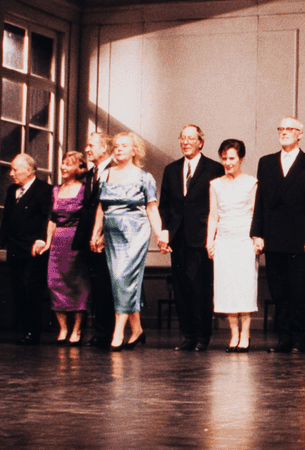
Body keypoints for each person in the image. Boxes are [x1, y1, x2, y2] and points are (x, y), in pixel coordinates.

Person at [89, 132, 166, 350]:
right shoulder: (105, 175)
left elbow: (151, 208)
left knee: (122, 277)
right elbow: (101, 208)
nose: (119, 149)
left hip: (135, 232)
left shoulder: (144, 177)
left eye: (124, 146)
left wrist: (160, 234)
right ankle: (137, 329)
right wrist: (96, 232)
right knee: (120, 279)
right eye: (116, 146)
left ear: (135, 150)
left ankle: (117, 332)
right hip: (112, 233)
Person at [250, 118, 305, 354]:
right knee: (278, 291)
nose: (284, 133)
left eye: (290, 129)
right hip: (273, 236)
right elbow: (260, 200)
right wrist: (257, 233)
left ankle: (300, 339)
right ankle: (284, 338)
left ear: (300, 134)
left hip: (300, 236)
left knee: (299, 291)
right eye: (281, 129)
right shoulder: (266, 162)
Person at [158, 124, 218, 352]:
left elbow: (218, 206)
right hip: (178, 238)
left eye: (190, 138)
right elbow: (165, 205)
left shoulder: (214, 168)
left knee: (201, 287)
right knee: (182, 288)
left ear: (200, 142)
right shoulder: (171, 169)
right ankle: (188, 336)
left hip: (202, 238)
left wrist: (213, 237)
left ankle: (203, 336)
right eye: (182, 138)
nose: (185, 142)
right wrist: (165, 231)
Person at [0, 153, 51, 345]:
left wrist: (41, 240)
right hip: (14, 250)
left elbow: (47, 220)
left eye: (15, 169)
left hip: (33, 251)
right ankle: (25, 330)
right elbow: (8, 222)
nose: (10, 173)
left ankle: (33, 332)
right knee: (19, 291)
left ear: (29, 171)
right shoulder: (12, 190)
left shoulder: (44, 190)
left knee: (32, 292)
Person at [207, 138, 259, 351]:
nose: (228, 162)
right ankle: (233, 335)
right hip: (224, 240)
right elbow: (213, 215)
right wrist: (210, 241)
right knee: (226, 287)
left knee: (244, 286)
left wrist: (256, 237)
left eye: (232, 158)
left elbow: (256, 213)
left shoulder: (251, 182)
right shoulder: (215, 184)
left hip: (244, 239)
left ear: (241, 159)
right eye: (224, 159)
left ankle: (245, 335)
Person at [75, 131, 116, 348]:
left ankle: (105, 333)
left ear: (104, 148)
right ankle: (101, 332)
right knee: (96, 285)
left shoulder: (114, 171)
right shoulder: (91, 173)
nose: (87, 149)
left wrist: (100, 234)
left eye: (91, 145)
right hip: (89, 239)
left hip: (107, 238)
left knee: (105, 286)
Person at [44, 150, 90, 344]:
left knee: (78, 285)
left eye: (68, 164)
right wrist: (48, 242)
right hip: (58, 242)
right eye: (62, 163)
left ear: (79, 168)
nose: (63, 167)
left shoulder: (84, 190)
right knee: (54, 283)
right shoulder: (55, 190)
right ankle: (63, 328)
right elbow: (52, 220)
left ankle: (77, 330)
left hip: (77, 241)